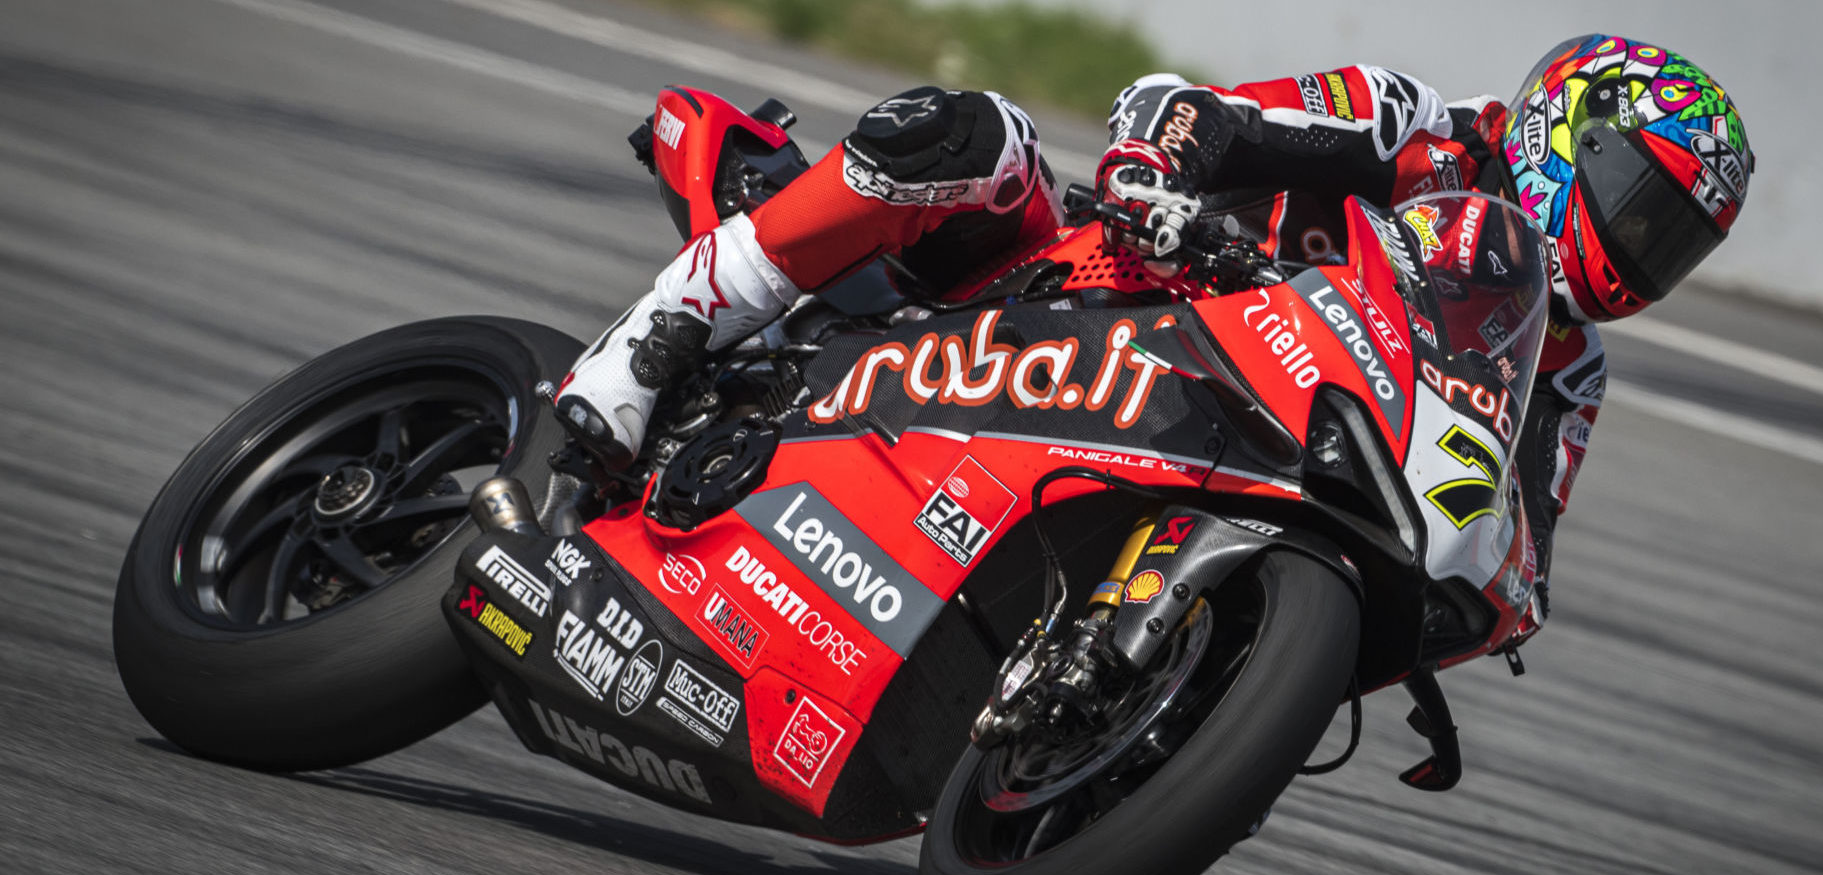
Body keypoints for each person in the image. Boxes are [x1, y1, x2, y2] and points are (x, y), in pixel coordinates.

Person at [555, 34, 1754, 646]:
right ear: (1569, 134)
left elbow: (1520, 531)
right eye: (1644, 209)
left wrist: (1484, 602)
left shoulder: (1566, 365)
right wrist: (1153, 179)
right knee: (974, 135)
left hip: (1241, 454)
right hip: (1088, 292)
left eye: (1675, 246)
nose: (1643, 256)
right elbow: (1190, 112)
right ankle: (653, 337)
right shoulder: (1410, 130)